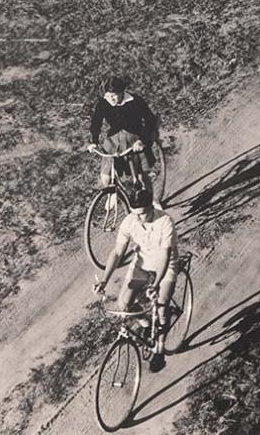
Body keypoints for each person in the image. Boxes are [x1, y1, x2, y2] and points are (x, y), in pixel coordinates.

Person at [94, 187, 177, 371]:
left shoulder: (165, 221)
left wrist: (156, 285)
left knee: (162, 306)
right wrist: (104, 281)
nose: (139, 218)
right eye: (135, 214)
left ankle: (160, 351)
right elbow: (117, 252)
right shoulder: (130, 221)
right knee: (124, 305)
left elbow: (165, 257)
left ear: (151, 208)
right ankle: (147, 324)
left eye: (143, 214)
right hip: (142, 265)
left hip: (165, 266)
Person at [89, 76, 166, 206]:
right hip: (114, 141)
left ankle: (153, 200)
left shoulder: (135, 101)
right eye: (108, 96)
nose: (111, 99)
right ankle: (112, 192)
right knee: (105, 176)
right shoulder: (103, 103)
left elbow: (150, 121)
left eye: (114, 96)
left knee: (142, 176)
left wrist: (142, 140)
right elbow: (96, 123)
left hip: (135, 139)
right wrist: (94, 142)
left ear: (122, 92)